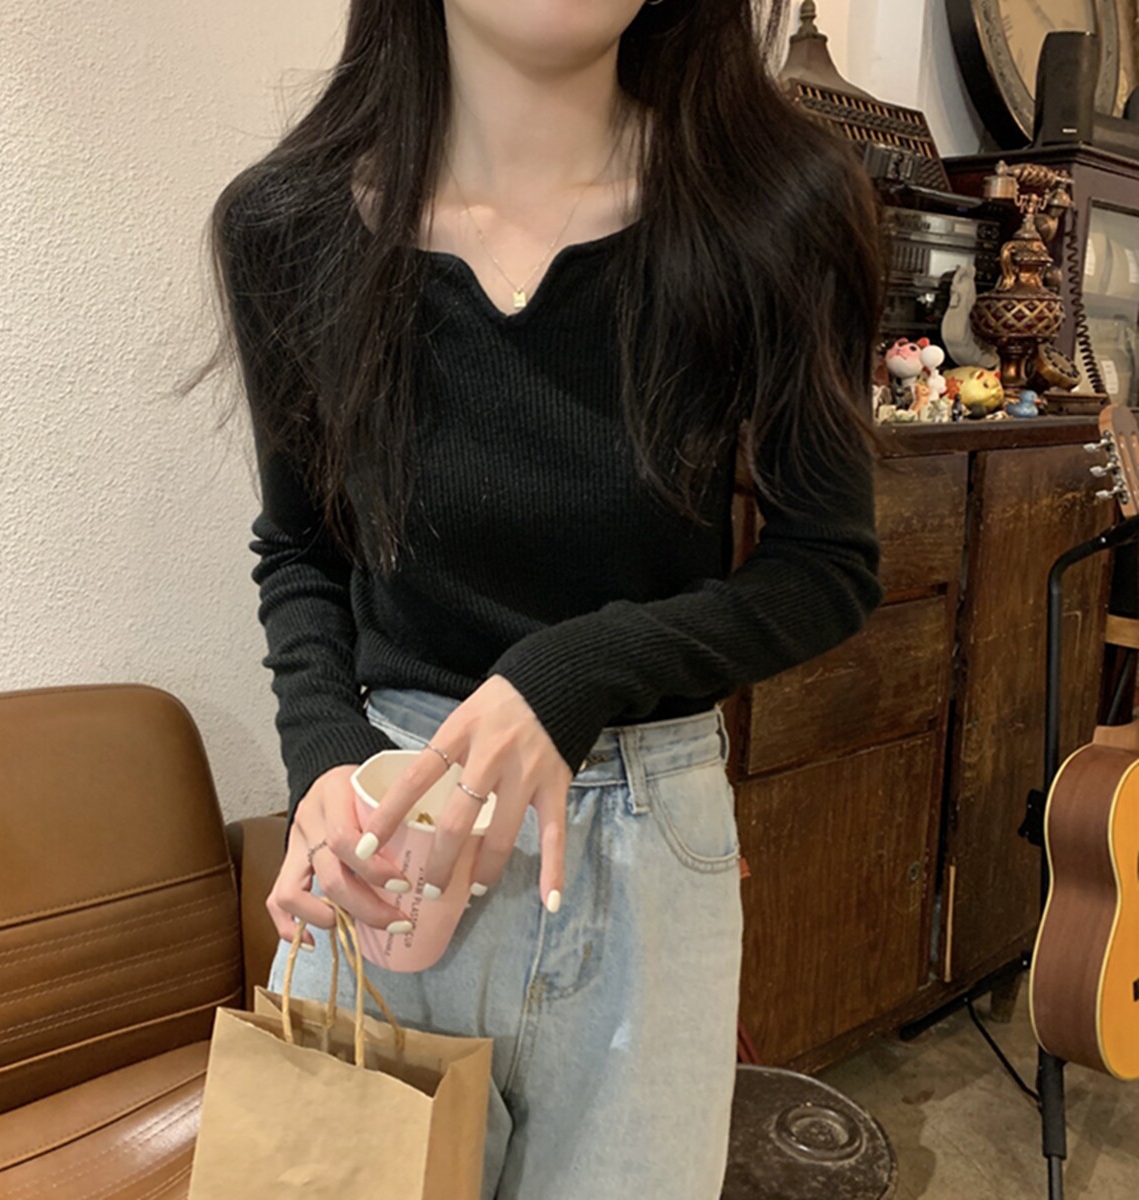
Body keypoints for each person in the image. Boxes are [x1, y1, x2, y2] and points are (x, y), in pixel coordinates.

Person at [209, 1, 885, 1195]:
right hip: (392, 831)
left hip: (646, 854)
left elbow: (826, 568)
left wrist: (568, 674)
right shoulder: (286, 227)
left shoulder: (776, 209)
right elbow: (303, 547)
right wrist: (325, 764)